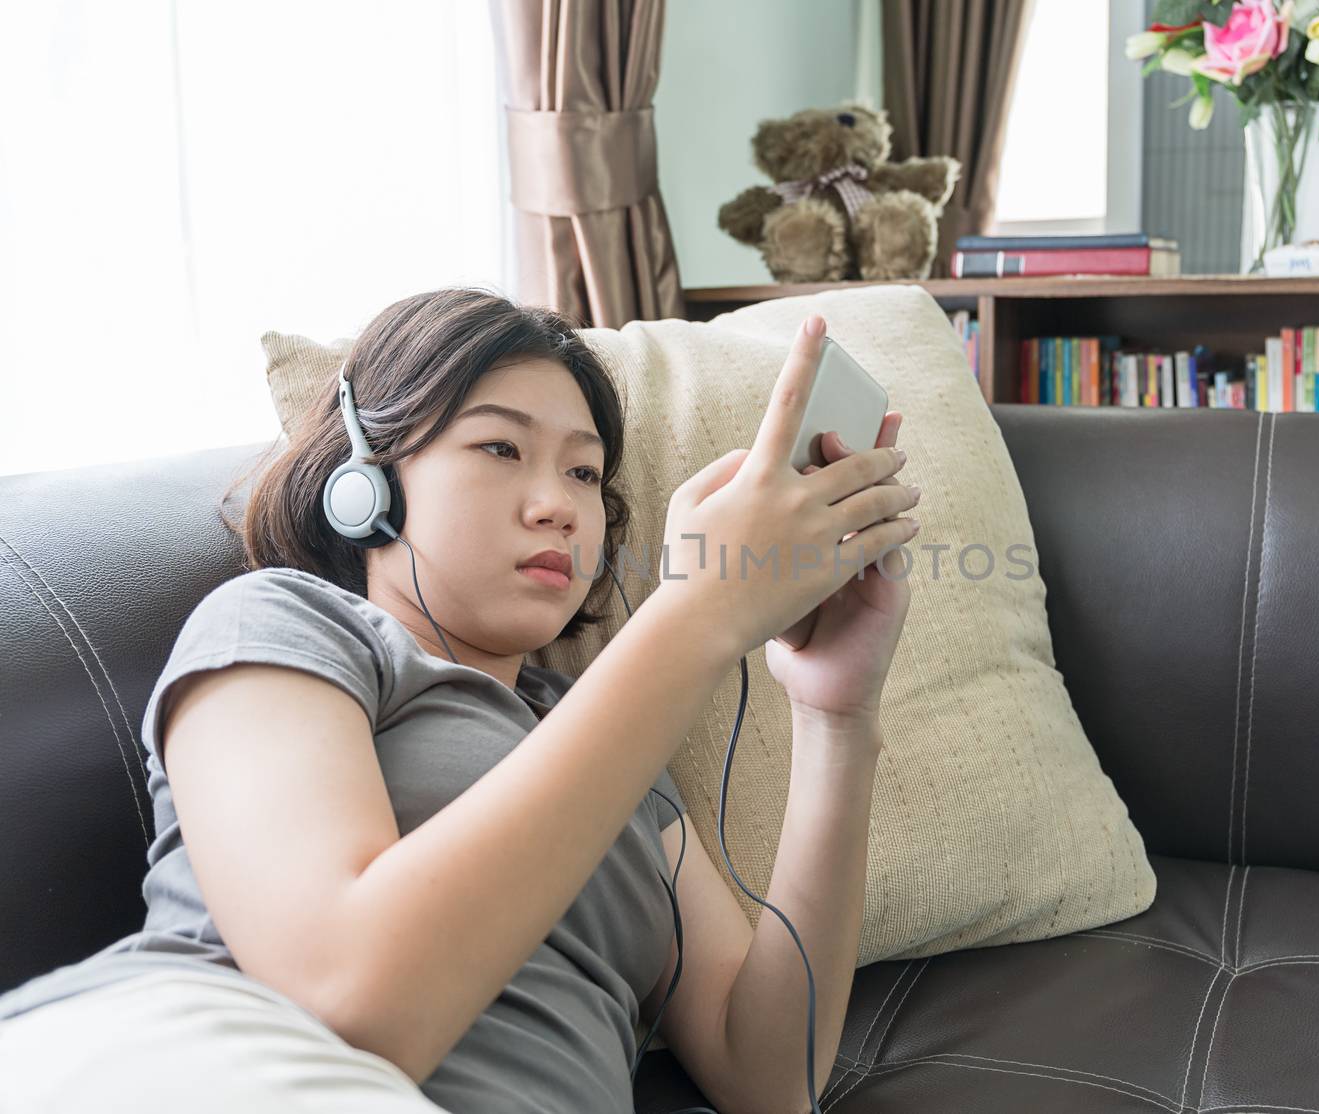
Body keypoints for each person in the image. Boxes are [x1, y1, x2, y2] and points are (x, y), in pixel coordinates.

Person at [0, 288, 920, 1114]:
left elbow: (767, 1079)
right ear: (364, 485)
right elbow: (350, 1007)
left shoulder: (611, 746)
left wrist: (836, 714)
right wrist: (698, 614)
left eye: (584, 473)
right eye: (499, 447)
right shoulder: (284, 624)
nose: (558, 505)